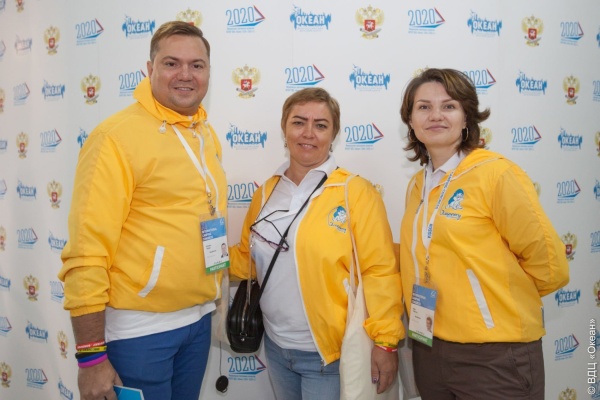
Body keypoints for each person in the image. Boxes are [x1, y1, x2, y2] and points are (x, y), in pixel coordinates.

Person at [58, 21, 227, 400]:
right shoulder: (115, 138)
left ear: (208, 72)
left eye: (197, 65)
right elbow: (86, 252)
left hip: (198, 318)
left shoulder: (203, 133)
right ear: (149, 69)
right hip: (139, 331)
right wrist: (90, 357)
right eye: (171, 63)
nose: (185, 74)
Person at [398, 68, 569, 400]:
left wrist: (494, 303)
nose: (435, 115)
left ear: (466, 117)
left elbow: (550, 266)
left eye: (449, 106)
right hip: (430, 347)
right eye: (424, 107)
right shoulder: (418, 185)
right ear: (411, 120)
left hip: (494, 354)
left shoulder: (496, 174)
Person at [229, 87, 404, 399]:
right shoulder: (267, 192)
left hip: (330, 355)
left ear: (333, 134)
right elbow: (248, 260)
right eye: (298, 122)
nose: (308, 133)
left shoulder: (355, 192)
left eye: (320, 125)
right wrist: (199, 253)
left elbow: (380, 271)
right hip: (275, 347)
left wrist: (386, 341)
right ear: (284, 129)